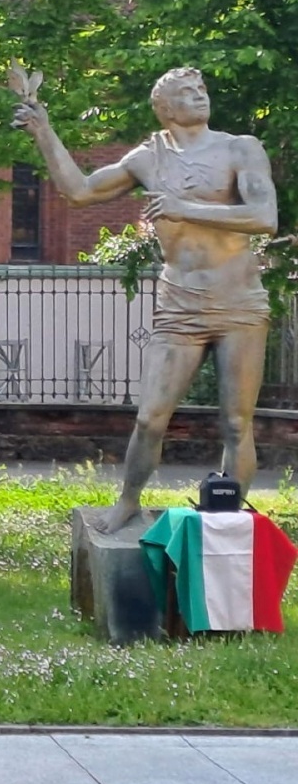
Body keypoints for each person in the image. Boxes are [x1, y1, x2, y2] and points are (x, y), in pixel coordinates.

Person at [14, 67, 279, 531]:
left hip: (239, 304)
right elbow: (79, 191)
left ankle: (229, 521)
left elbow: (264, 216)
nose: (199, 95)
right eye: (186, 92)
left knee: (237, 423)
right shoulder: (148, 157)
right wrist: (44, 133)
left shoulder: (240, 148)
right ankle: (128, 502)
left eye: (201, 89)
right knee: (150, 418)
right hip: (179, 304)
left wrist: (185, 208)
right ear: (165, 108)